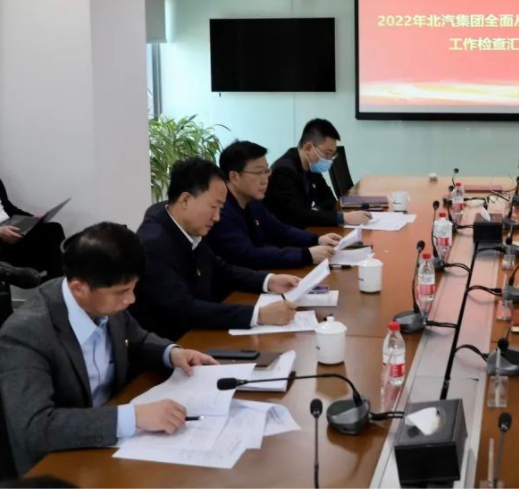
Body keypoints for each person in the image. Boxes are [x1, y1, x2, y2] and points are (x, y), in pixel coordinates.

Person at [0, 222, 217, 475]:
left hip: (116, 446)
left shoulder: (104, 300)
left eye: (133, 288)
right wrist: (132, 418)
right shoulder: (25, 333)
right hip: (60, 464)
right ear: (78, 287)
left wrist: (172, 353)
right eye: (122, 292)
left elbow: (137, 339)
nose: (131, 299)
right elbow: (36, 428)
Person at [130, 158, 301, 341]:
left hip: (200, 333)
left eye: (220, 208)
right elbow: (184, 309)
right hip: (175, 343)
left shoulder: (189, 225)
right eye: (213, 207)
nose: (217, 217)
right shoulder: (153, 245)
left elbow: (219, 269)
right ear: (185, 200)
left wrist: (268, 281)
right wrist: (259, 315)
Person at [207, 140, 341, 270]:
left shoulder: (252, 202)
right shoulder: (220, 212)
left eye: (267, 171)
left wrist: (317, 239)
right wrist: (306, 255)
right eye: (258, 173)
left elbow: (280, 230)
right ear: (234, 177)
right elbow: (248, 255)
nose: (265, 180)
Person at [264, 119, 372, 229]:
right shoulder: (283, 171)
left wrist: (315, 212)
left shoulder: (310, 166)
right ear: (308, 148)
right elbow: (297, 215)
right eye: (327, 153)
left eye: (332, 155)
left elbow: (328, 200)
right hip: (283, 234)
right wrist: (343, 217)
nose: (329, 160)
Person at [0, 176, 65, 278]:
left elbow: (8, 206)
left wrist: (32, 219)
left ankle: (57, 280)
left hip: (10, 226)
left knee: (53, 229)